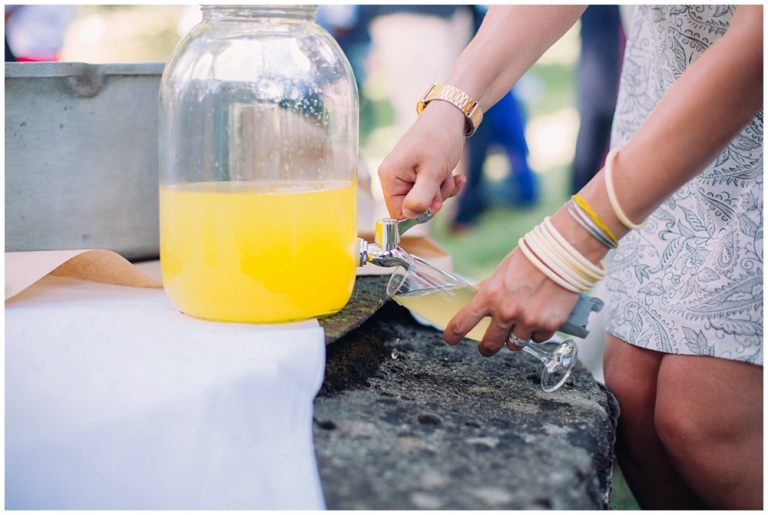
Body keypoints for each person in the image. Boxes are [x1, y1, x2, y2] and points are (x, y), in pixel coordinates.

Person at [377, 5, 762, 510]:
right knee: (635, 399)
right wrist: (452, 105)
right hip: (669, 98)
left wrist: (570, 244)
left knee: (703, 413)